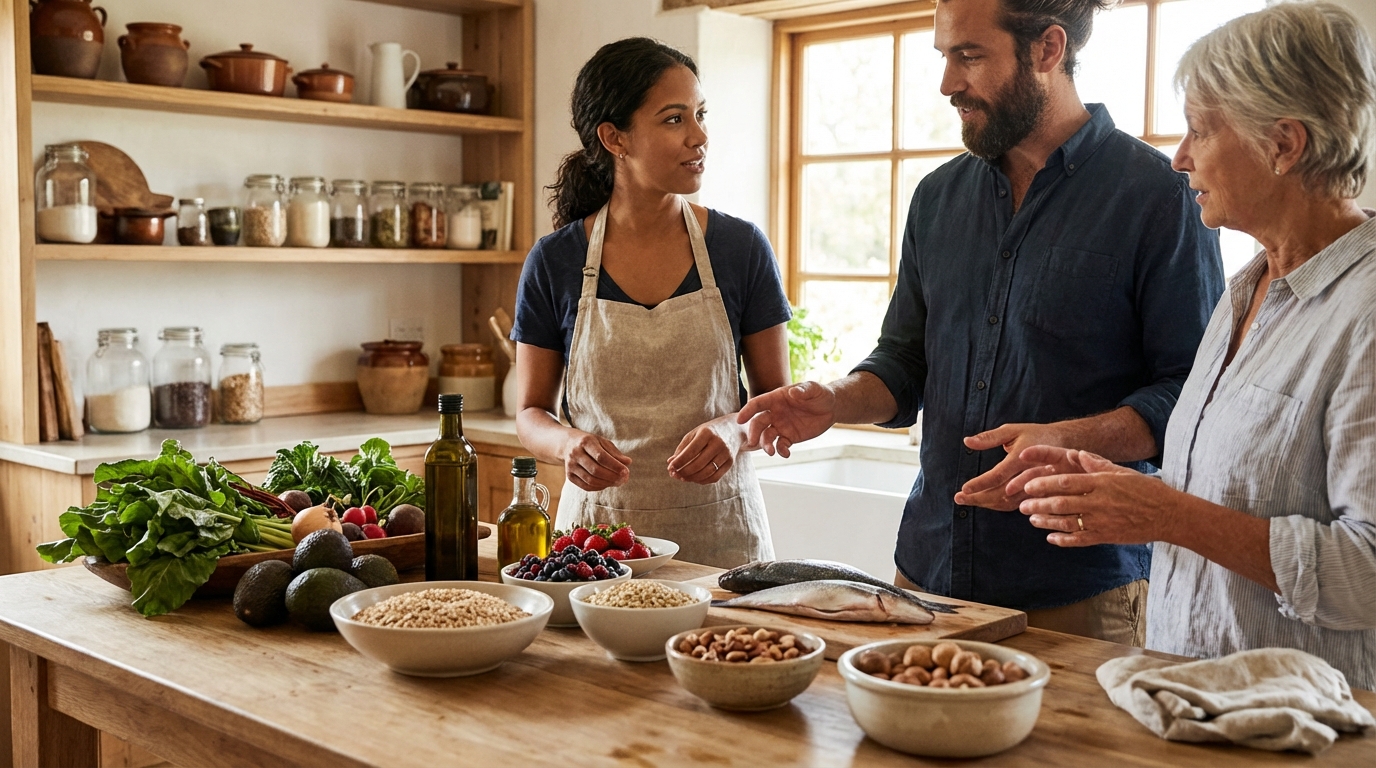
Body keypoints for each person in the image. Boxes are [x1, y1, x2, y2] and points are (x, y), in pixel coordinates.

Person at [738, 0, 1224, 645]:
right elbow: (904, 361)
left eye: (969, 57)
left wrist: (1069, 438)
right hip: (923, 578)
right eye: (944, 56)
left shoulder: (1160, 196)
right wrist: (833, 399)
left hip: (1081, 589)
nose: (947, 84)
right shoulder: (937, 197)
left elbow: (1193, 394)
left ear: (1048, 50)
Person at [1013, 1, 1376, 688]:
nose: (1179, 158)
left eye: (1199, 131)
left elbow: (1369, 572)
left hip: (1311, 729)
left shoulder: (1368, 311)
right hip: (1195, 702)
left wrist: (1167, 514)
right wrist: (1099, 482)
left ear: (1284, 144)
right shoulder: (1244, 288)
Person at [512, 38, 791, 569]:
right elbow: (530, 413)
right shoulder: (555, 261)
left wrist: (734, 430)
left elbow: (774, 401)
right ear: (614, 138)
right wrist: (567, 444)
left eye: (701, 114)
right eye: (673, 119)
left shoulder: (740, 248)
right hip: (595, 545)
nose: (699, 136)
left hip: (722, 538)